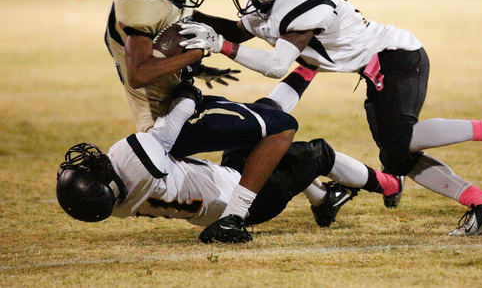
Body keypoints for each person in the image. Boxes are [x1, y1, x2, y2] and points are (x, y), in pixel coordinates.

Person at [177, 0, 482, 236]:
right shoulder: (273, 5)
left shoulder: (302, 0)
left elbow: (275, 65)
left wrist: (219, 47)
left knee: (399, 140)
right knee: (396, 156)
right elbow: (240, 30)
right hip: (375, 68)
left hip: (397, 57)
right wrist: (186, 15)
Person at [103, 0, 298, 242]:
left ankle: (319, 193)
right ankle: (234, 217)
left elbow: (231, 30)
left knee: (265, 114)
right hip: (166, 123)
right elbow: (139, 73)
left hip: (181, 106)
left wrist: (275, 16)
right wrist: (195, 55)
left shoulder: (162, 2)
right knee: (281, 126)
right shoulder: (139, 2)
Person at [56, 87, 403, 243]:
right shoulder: (132, 163)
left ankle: (325, 202)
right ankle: (387, 184)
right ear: (105, 184)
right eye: (91, 169)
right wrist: (188, 97)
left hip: (220, 190)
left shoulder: (117, 206)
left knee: (260, 124)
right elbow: (166, 131)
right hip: (249, 198)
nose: (93, 161)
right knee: (317, 153)